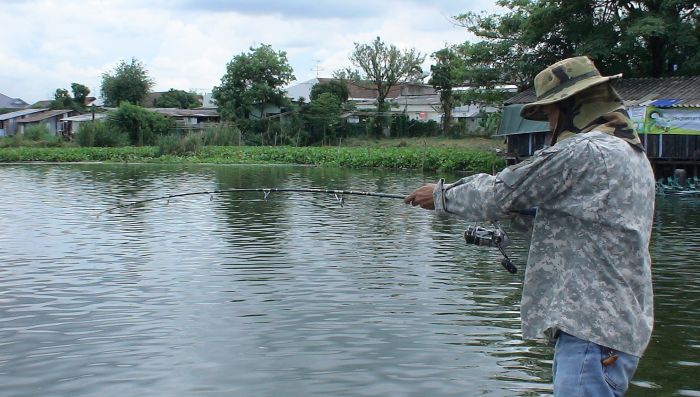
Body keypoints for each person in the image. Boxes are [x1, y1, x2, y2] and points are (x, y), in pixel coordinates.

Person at [404, 56, 655, 396]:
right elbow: (577, 221)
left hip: (591, 331)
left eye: (550, 113)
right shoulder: (629, 154)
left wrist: (441, 195)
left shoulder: (587, 150)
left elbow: (499, 192)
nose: (550, 125)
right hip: (611, 328)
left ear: (571, 106)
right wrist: (519, 212)